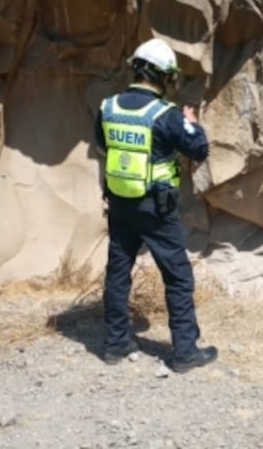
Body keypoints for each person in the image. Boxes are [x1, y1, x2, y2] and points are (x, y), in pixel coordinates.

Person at [94, 38, 217, 373]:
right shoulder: (167, 115)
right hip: (156, 210)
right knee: (177, 277)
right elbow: (198, 148)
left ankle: (115, 344)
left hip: (120, 204)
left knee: (118, 274)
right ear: (163, 76)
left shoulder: (108, 108)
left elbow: (103, 143)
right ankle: (185, 353)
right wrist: (190, 121)